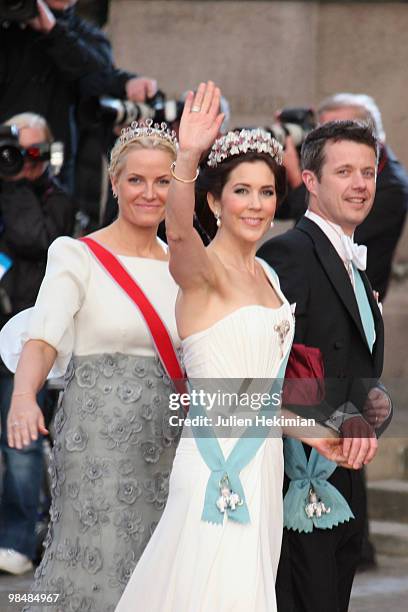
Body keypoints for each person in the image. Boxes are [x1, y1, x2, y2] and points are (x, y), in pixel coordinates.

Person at [114, 82, 370, 612]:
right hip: (215, 467)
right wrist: (186, 155)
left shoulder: (272, 281)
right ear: (215, 198)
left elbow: (256, 398)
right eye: (241, 190)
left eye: (266, 191)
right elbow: (178, 231)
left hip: (265, 465)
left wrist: (314, 434)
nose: (256, 204)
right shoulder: (201, 272)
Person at [0, 122, 182, 610]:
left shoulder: (184, 265)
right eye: (137, 180)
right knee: (98, 562)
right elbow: (43, 336)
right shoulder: (77, 254)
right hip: (97, 440)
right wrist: (23, 398)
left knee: (158, 569)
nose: (149, 193)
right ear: (115, 182)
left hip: (169, 443)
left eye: (163, 180)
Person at [258, 120, 392, 612]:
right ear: (310, 181)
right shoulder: (287, 253)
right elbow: (269, 374)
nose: (361, 184)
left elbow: (357, 368)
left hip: (348, 477)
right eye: (344, 172)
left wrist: (375, 403)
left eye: (368, 172)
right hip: (300, 478)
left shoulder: (356, 261)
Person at [0, 112, 74, 575]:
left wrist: (14, 186)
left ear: (46, 154)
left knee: (21, 444)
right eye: (12, 149)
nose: (18, 161)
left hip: (24, 338)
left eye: (31, 151)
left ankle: (17, 542)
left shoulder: (57, 200)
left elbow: (36, 240)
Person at [0, 0, 157, 193]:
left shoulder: (90, 38)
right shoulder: (9, 30)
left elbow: (97, 78)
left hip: (56, 168)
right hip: (5, 155)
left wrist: (53, 30)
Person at [278, 93, 408, 301]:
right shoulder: (281, 253)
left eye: (367, 173)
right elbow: (280, 208)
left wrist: (297, 178)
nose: (359, 184)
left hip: (351, 299)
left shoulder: (392, 186)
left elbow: (333, 237)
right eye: (320, 131)